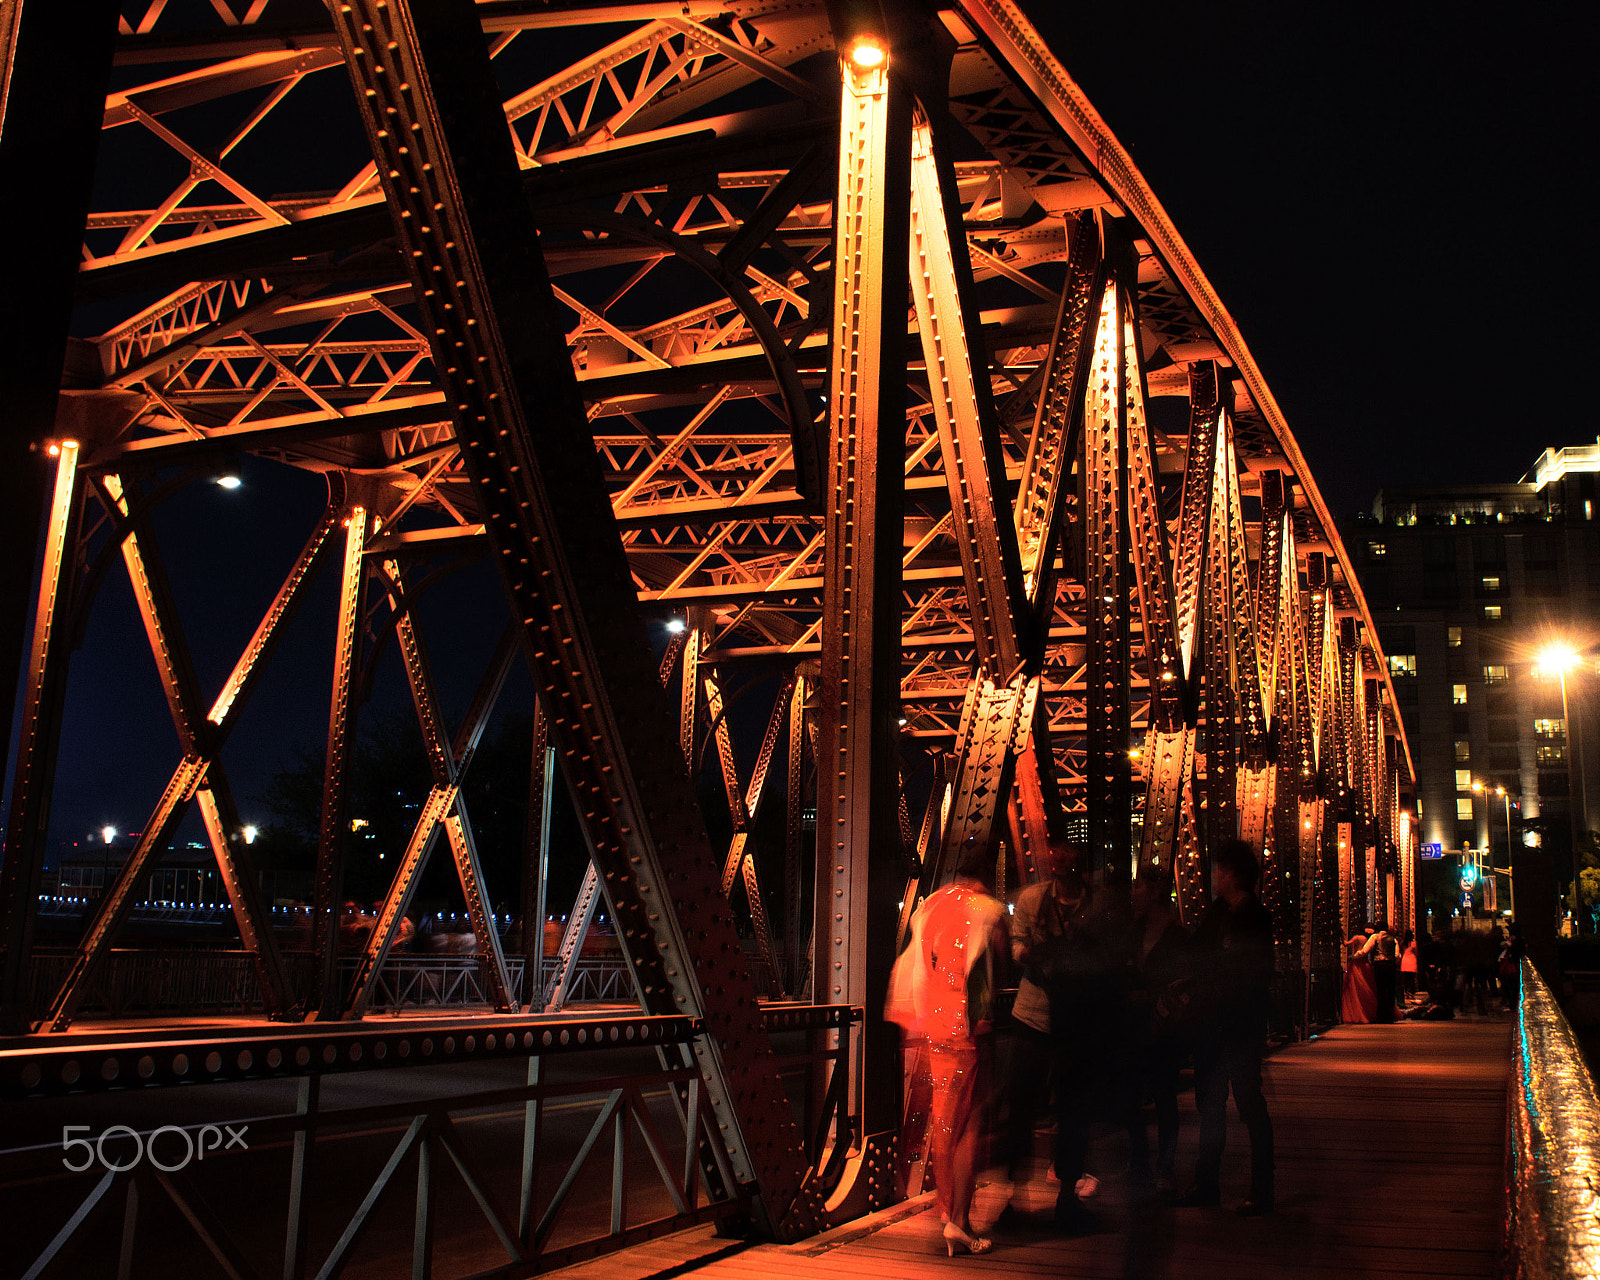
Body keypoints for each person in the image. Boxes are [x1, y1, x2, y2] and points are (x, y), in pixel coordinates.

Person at [887, 844, 1007, 1256]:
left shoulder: (930, 905)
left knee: (944, 1122)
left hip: (930, 1027)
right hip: (964, 1030)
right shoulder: (986, 909)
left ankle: (948, 1210)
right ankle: (958, 1221)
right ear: (985, 879)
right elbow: (996, 964)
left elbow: (913, 964)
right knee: (969, 1126)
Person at [1176, 840, 1275, 1217]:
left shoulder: (1254, 918)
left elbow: (1256, 973)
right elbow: (1195, 952)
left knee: (1249, 1104)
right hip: (1215, 1024)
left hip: (1241, 1024)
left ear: (1233, 874)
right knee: (1211, 1105)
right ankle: (1207, 1184)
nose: (1214, 877)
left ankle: (1261, 1189)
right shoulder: (1219, 914)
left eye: (1219, 871)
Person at [998, 839, 1084, 1224]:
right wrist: (1027, 953)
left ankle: (1065, 1194)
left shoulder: (1090, 906)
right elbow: (1017, 945)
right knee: (1022, 1108)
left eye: (1067, 853)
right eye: (1056, 853)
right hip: (1035, 1017)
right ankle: (1018, 1197)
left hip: (1069, 1022)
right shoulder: (1035, 900)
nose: (1059, 859)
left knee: (1072, 1110)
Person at [1130, 873, 1192, 1194]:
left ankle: (1164, 1169)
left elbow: (1182, 983)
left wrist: (1149, 996)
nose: (1134, 892)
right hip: (1137, 1029)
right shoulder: (1133, 931)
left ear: (1154, 892)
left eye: (1139, 886)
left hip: (1164, 1030)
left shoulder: (1175, 935)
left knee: (1165, 1099)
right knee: (1133, 1101)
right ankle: (1141, 1169)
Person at [1340, 929, 1379, 1023]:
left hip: (1356, 964)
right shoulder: (1366, 939)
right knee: (1366, 988)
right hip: (1365, 964)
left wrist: (1341, 935)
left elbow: (1346, 944)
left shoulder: (1357, 938)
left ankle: (1356, 1012)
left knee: (1354, 988)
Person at [1399, 930, 1419, 999]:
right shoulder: (1413, 943)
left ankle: (1406, 992)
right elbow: (1416, 953)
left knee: (1405, 978)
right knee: (1411, 978)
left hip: (1404, 960)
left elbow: (1401, 952)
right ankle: (1411, 992)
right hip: (1412, 960)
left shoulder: (1402, 943)